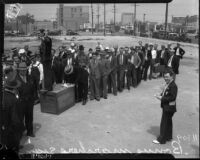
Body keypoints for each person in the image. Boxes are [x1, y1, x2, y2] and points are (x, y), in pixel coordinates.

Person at [153, 69, 178, 144]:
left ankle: (161, 139)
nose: (165, 78)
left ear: (171, 76)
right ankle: (168, 137)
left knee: (164, 123)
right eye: (164, 77)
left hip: (169, 108)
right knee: (168, 122)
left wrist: (162, 98)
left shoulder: (173, 86)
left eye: (167, 77)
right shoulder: (168, 83)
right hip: (168, 107)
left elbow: (173, 97)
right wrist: (160, 95)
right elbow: (165, 93)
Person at [2, 66, 23, 153]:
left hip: (5, 123)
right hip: (12, 125)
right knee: (13, 138)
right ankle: (15, 148)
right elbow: (15, 119)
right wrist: (20, 125)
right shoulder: (12, 99)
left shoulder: (4, 94)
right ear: (13, 88)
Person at [15, 62, 35, 137]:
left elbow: (33, 89)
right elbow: (15, 92)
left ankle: (30, 132)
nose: (23, 71)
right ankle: (20, 134)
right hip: (21, 102)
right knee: (20, 119)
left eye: (25, 69)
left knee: (29, 117)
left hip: (29, 101)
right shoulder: (16, 79)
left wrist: (33, 99)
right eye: (22, 70)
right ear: (19, 70)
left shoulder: (30, 77)